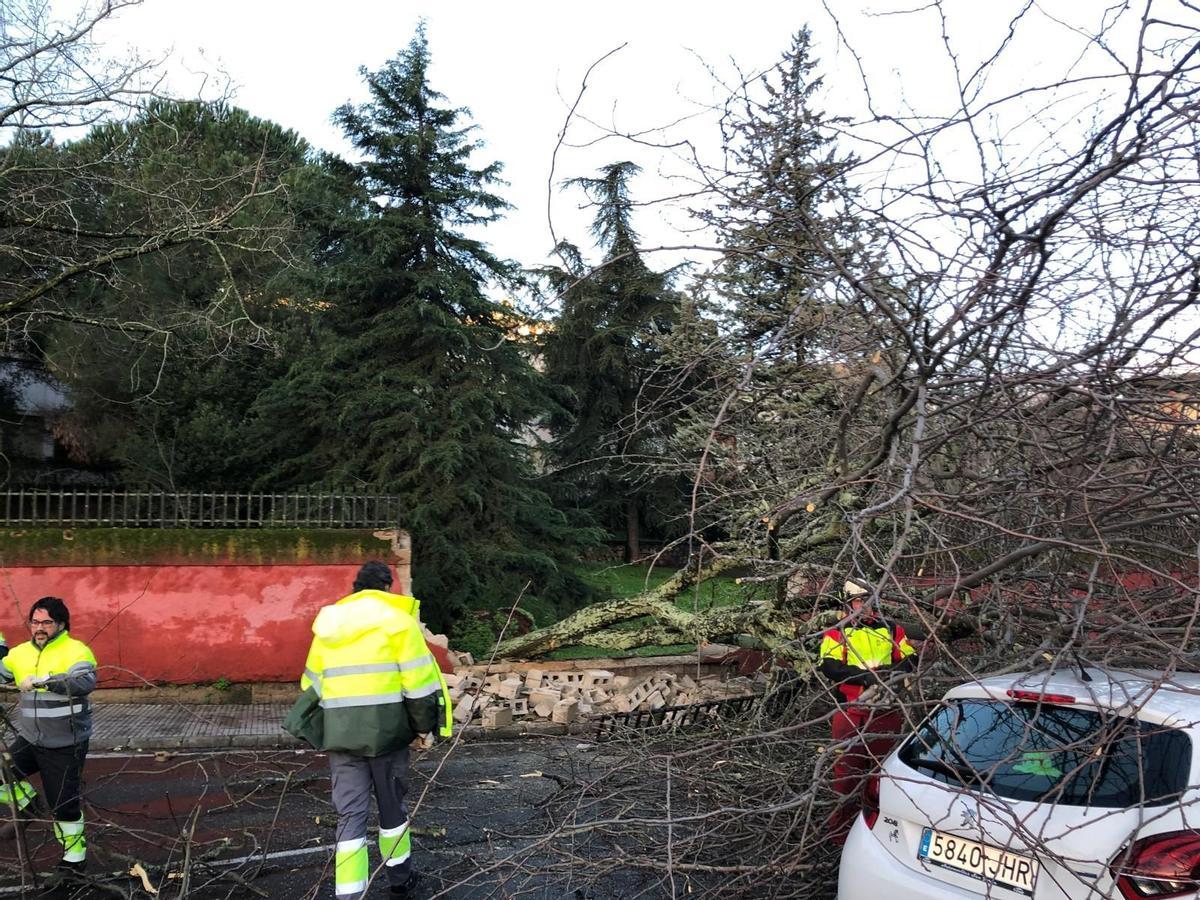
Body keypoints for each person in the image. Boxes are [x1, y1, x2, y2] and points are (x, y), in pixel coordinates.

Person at [298, 561, 452, 900]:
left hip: (341, 736)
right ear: (385, 587)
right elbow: (418, 684)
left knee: (349, 816)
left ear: (356, 588)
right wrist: (424, 728)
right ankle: (400, 878)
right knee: (391, 810)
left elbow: (310, 683)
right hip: (387, 734)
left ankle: (348, 893)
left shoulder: (329, 624)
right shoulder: (398, 622)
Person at [0, 597, 97, 873]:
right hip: (30, 740)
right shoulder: (19, 654)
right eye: (34, 622)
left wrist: (46, 681)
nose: (39, 627)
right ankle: (27, 803)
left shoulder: (77, 651)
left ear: (61, 624)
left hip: (66, 744)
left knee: (63, 806)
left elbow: (83, 682)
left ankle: (74, 862)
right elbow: (1, 671)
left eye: (46, 622)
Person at [818, 580, 916, 841]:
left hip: (885, 709)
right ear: (848, 604)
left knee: (881, 772)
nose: (865, 607)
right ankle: (841, 832)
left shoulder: (891, 629)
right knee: (847, 772)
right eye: (860, 601)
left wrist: (890, 674)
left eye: (869, 600)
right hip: (851, 709)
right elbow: (830, 667)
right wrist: (865, 677)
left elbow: (909, 658)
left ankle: (878, 829)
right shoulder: (837, 633)